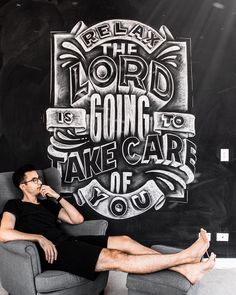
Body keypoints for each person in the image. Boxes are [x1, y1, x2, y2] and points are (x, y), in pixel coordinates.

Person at [0, 164, 216, 284]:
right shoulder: (14, 205)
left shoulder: (47, 204)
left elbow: (77, 219)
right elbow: (3, 233)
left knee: (124, 241)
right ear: (23, 186)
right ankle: (185, 259)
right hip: (54, 252)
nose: (40, 182)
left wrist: (57, 197)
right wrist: (38, 237)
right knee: (116, 258)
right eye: (35, 180)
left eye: (39, 178)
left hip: (66, 241)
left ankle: (186, 269)